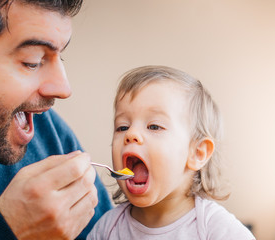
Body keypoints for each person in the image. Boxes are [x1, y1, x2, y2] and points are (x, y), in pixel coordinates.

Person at [0, 0, 112, 239]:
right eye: (32, 61)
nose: (63, 89)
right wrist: (6, 230)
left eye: (60, 57)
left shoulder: (45, 130)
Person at [87, 65, 256, 239]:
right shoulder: (107, 228)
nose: (131, 134)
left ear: (197, 153)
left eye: (154, 126)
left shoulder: (216, 229)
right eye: (122, 127)